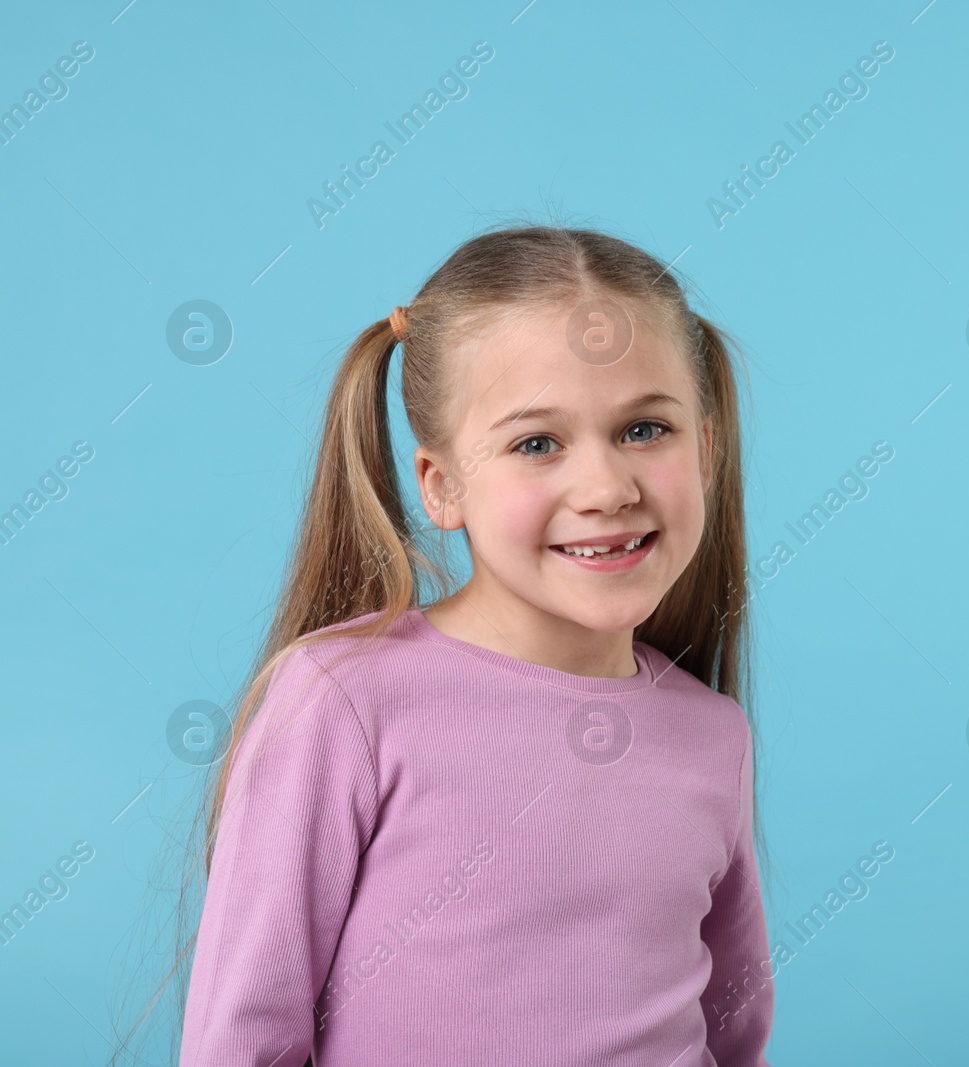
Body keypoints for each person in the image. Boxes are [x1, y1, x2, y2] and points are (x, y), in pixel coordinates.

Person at [176, 224, 775, 1065]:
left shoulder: (714, 734)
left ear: (706, 448)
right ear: (442, 485)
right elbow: (241, 1041)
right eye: (538, 443)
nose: (606, 487)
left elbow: (734, 1030)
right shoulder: (345, 700)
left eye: (646, 429)